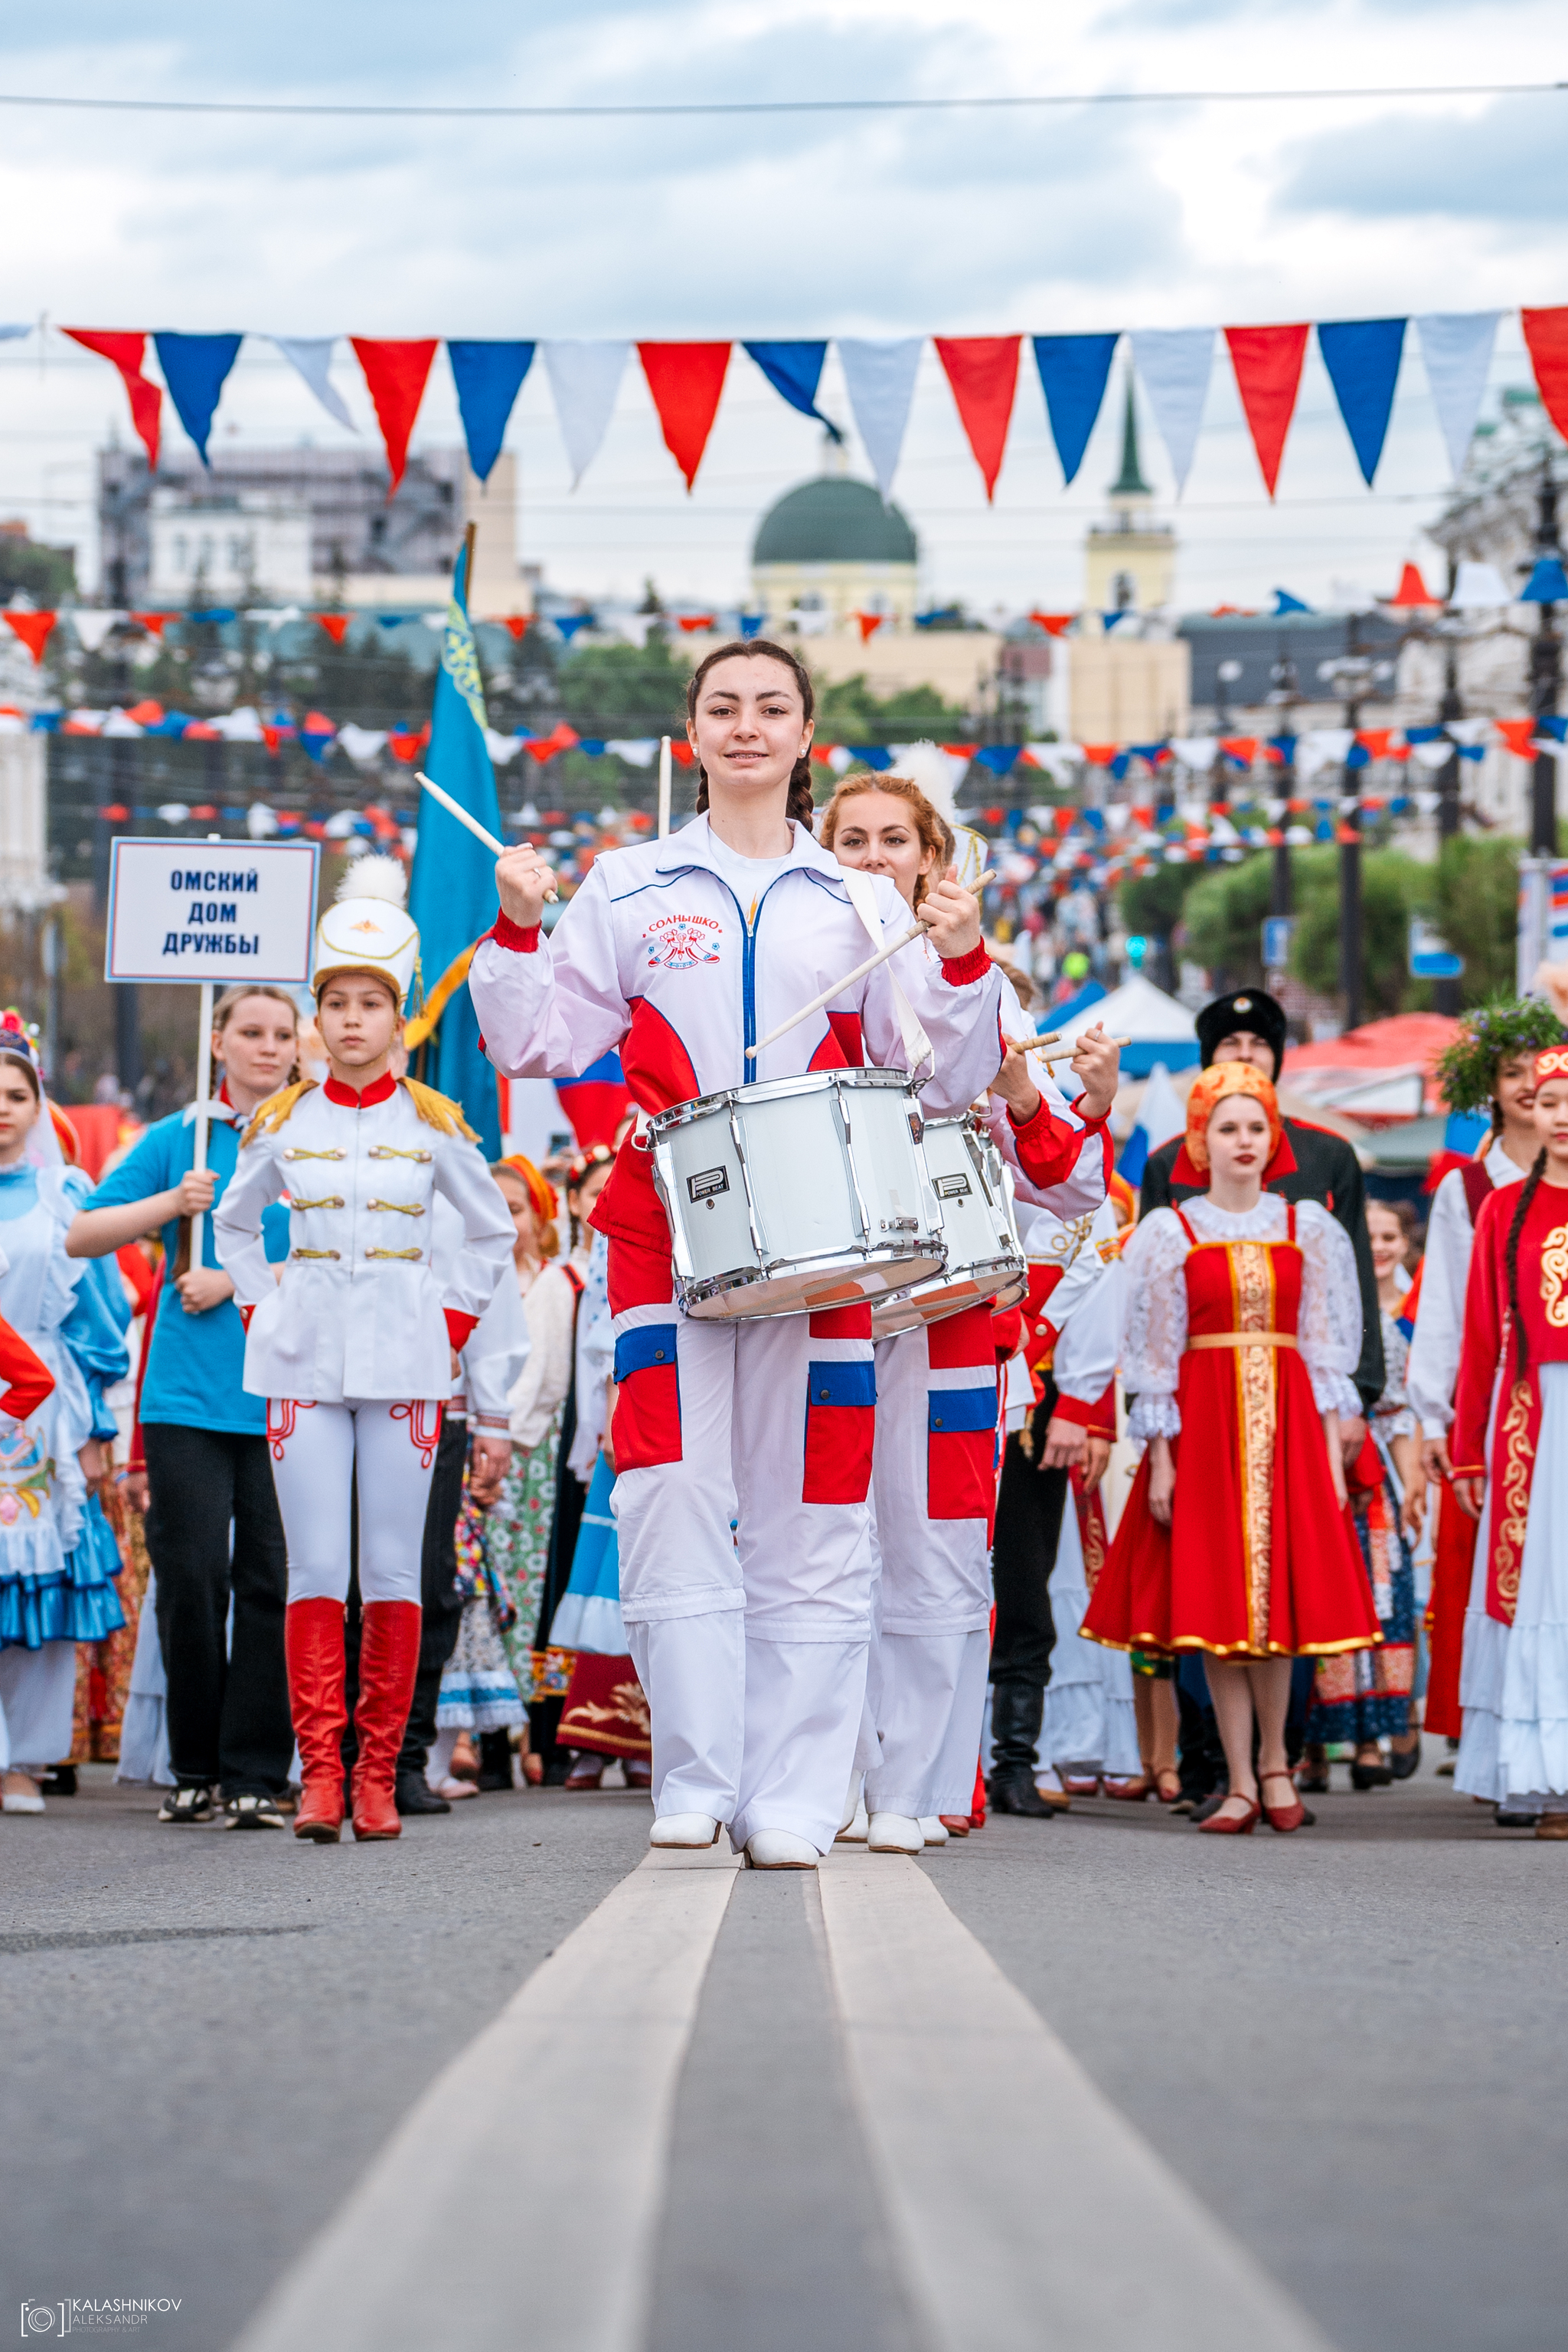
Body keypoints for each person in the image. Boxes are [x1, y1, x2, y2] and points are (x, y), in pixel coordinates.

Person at [469, 639, 1004, 1869]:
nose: (747, 725)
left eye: (772, 707)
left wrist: (964, 959)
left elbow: (945, 1077)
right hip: (666, 1230)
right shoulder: (629, 883)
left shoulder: (862, 900)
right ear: (690, 734)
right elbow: (540, 1043)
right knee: (667, 1499)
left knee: (815, 1511)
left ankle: (797, 1798)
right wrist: (513, 929)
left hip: (827, 1246)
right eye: (724, 707)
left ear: (806, 734)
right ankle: (698, 1774)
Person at [821, 773, 1119, 1852]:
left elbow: (1073, 1186)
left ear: (933, 859)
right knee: (825, 1547)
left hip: (951, 1314)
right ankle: (832, 1778)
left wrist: (1036, 1097)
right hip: (825, 1305)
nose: (870, 856)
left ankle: (927, 1784)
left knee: (941, 1548)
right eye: (848, 838)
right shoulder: (789, 972)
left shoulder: (985, 985)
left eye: (893, 839)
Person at [213, 857, 514, 1843]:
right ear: (316, 1017)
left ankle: (378, 1773)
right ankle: (318, 1779)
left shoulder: (434, 1128)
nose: (349, 1022)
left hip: (409, 1369)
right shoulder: (279, 1122)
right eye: (334, 1003)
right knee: (312, 1573)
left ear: (399, 1020)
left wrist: (455, 1325)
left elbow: (491, 1235)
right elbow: (233, 1226)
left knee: (391, 1571)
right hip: (301, 1367)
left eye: (369, 1005)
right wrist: (263, 1310)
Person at [1083, 1062, 1380, 1834]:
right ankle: (1240, 1777)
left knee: (1278, 1604)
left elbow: (1323, 1350)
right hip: (1204, 1427)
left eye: (1255, 1126)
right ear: (1199, 1141)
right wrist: (1165, 1459)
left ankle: (1278, 1765)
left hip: (1286, 1429)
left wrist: (1325, 1450)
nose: (1242, 1140)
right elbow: (1153, 1352)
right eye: (1226, 1127)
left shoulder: (1305, 1227)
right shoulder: (1168, 1232)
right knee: (1217, 1607)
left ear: (1271, 1136)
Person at [68, 986, 299, 1828]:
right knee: (191, 1582)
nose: (267, 1047)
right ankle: (195, 1767)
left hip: (285, 1392)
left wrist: (239, 1279)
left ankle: (256, 1773)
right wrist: (174, 1207)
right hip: (187, 1400)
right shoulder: (182, 1140)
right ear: (219, 1040)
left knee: (271, 1581)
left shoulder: (312, 1136)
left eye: (281, 1033)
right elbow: (82, 1232)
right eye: (250, 1032)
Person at [1408, 998, 1560, 1766]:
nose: (1531, 1090)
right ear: (1490, 1088)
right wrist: (1437, 1421)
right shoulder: (1469, 1192)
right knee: (1498, 1570)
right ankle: (1509, 1743)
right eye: (1512, 1074)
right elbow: (1444, 1312)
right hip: (1502, 1395)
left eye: (1545, 1075)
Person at [1140, 988, 1383, 1421]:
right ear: (1208, 1056)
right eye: (1230, 1043)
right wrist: (1150, 1413)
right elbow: (1150, 1299)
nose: (1245, 1056)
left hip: (1307, 1389)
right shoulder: (1166, 1163)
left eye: (1259, 1045)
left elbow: (1355, 1279)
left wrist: (1360, 1392)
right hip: (1201, 1391)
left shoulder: (1330, 1155)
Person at [0, 1016, 130, 1814]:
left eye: (15, 1095)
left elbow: (100, 1314)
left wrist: (99, 1430)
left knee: (38, 1586)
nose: (0, 1109)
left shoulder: (62, 1196)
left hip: (40, 1411)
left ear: (38, 1103)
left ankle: (27, 1760)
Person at [1451, 1044, 1568, 1838]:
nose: (1558, 1116)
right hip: (1529, 1416)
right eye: (1548, 1102)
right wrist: (1465, 1445)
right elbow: (1475, 1341)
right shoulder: (1499, 1209)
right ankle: (1541, 1778)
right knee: (1535, 1588)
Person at [1303, 1198, 1423, 1789]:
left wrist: (1414, 1484)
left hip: (1376, 1485)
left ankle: (1374, 1738)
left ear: (1405, 1245)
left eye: (1388, 1236)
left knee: (1385, 1608)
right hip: (1324, 1463)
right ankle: (1316, 1747)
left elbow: (1403, 1417)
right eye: (1367, 1234)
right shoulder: (1323, 1305)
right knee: (1323, 1598)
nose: (1377, 1246)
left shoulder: (1408, 1321)